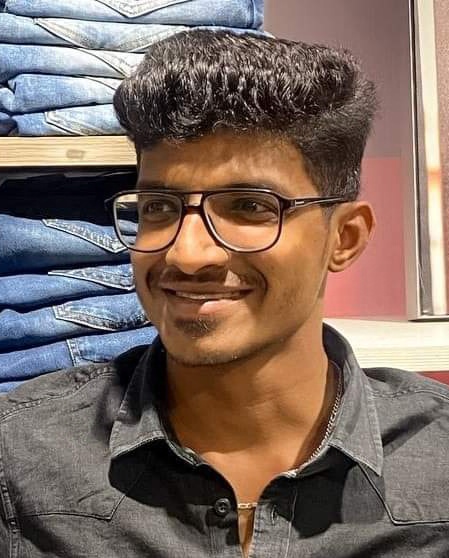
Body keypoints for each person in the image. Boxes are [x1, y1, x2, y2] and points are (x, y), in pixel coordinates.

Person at [1, 29, 449, 558]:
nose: (186, 254)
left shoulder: (436, 459)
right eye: (158, 208)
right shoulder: (20, 458)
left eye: (249, 207)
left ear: (344, 239)